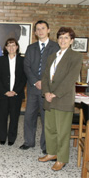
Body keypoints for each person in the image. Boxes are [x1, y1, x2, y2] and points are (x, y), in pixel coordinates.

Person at [38, 27, 83, 171]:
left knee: (62, 131)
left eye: (66, 38)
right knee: (50, 128)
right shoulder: (52, 56)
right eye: (60, 37)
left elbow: (70, 79)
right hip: (49, 98)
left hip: (62, 98)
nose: (62, 40)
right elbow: (45, 76)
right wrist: (46, 92)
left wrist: (54, 93)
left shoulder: (75, 56)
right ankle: (51, 153)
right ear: (57, 40)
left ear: (71, 41)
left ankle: (62, 158)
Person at [20, 20, 59, 154]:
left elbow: (57, 68)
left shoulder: (56, 47)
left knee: (46, 118)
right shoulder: (31, 48)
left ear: (48, 30)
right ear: (35, 32)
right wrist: (35, 81)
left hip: (48, 89)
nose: (40, 31)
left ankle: (46, 145)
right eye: (38, 29)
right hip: (32, 88)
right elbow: (26, 66)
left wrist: (44, 82)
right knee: (29, 116)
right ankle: (29, 142)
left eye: (43, 28)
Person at [0, 38, 26, 146]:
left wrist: (15, 91)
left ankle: (12, 138)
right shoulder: (1, 60)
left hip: (16, 94)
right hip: (3, 94)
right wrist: (5, 91)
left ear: (17, 47)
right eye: (9, 45)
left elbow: (24, 78)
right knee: (2, 116)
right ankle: (2, 137)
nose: (11, 48)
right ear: (6, 48)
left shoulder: (22, 60)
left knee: (14, 117)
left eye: (13, 45)